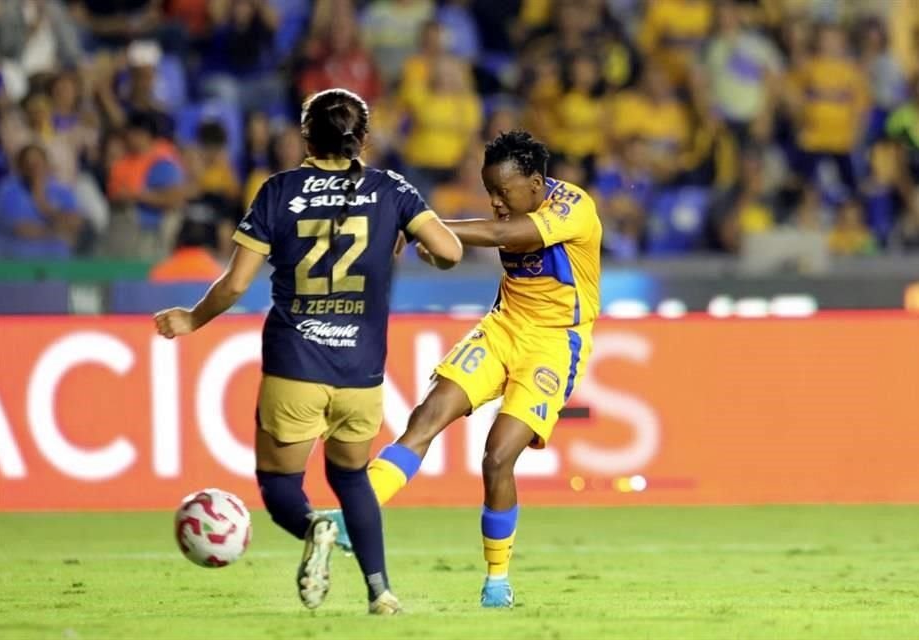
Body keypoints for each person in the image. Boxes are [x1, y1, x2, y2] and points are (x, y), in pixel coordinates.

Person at [153, 88, 462, 614]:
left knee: (279, 486)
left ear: (304, 136)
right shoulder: (392, 189)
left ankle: (314, 525)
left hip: (295, 363)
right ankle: (380, 591)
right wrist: (417, 251)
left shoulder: (277, 191)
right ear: (362, 138)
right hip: (361, 370)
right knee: (351, 478)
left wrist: (191, 318)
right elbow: (450, 251)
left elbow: (232, 286)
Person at [341, 131, 602, 608]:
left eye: (504, 193)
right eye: (490, 193)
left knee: (498, 456)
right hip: (503, 326)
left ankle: (497, 581)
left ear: (537, 184)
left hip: (553, 345)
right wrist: (435, 247)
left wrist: (427, 224)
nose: (497, 203)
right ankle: (353, 514)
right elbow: (448, 258)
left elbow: (504, 236)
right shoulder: (510, 206)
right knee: (425, 417)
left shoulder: (574, 207)